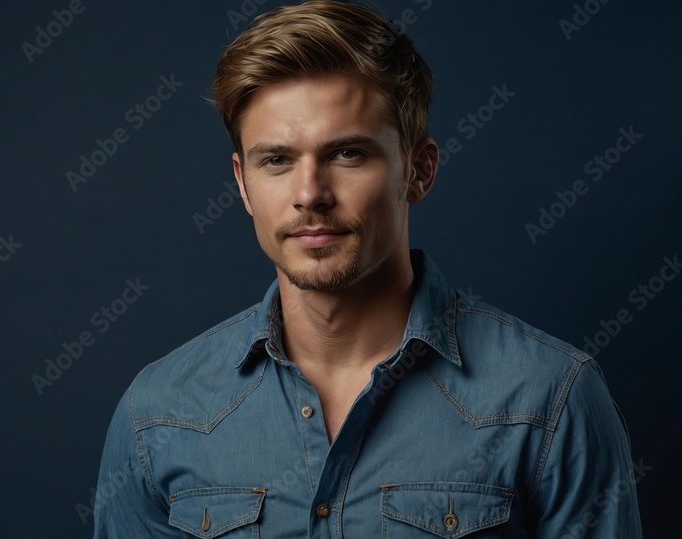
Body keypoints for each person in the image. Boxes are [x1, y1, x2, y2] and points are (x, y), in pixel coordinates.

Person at [92, 1, 643, 536]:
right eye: (277, 160)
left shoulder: (550, 400)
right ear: (242, 183)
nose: (310, 194)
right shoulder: (158, 415)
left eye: (347, 154)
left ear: (419, 171)